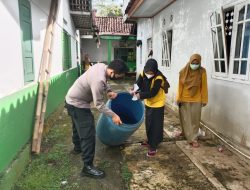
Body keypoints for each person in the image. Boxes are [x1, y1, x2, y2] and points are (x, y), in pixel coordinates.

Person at [65, 59, 128, 178]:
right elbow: (99, 104)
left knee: (77, 126)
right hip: (78, 103)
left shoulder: (102, 66)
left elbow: (105, 81)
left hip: (70, 99)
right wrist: (114, 115)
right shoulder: (98, 80)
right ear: (113, 72)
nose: (120, 77)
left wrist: (109, 90)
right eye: (120, 75)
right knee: (88, 134)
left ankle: (77, 148)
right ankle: (87, 167)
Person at [131, 58, 166, 157]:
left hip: (158, 103)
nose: (148, 74)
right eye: (147, 71)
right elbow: (138, 83)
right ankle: (150, 140)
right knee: (149, 122)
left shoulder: (159, 78)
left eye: (151, 72)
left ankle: (153, 146)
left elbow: (153, 93)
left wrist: (139, 96)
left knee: (156, 125)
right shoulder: (144, 72)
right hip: (149, 102)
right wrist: (134, 90)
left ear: (155, 71)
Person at [176, 53, 208, 148]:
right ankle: (186, 133)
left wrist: (204, 99)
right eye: (193, 62)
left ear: (199, 62)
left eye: (197, 63)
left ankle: (193, 139)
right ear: (190, 62)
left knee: (195, 120)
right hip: (184, 98)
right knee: (185, 119)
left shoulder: (202, 72)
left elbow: (204, 87)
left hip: (197, 99)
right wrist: (178, 98)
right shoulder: (183, 71)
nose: (194, 64)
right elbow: (180, 86)